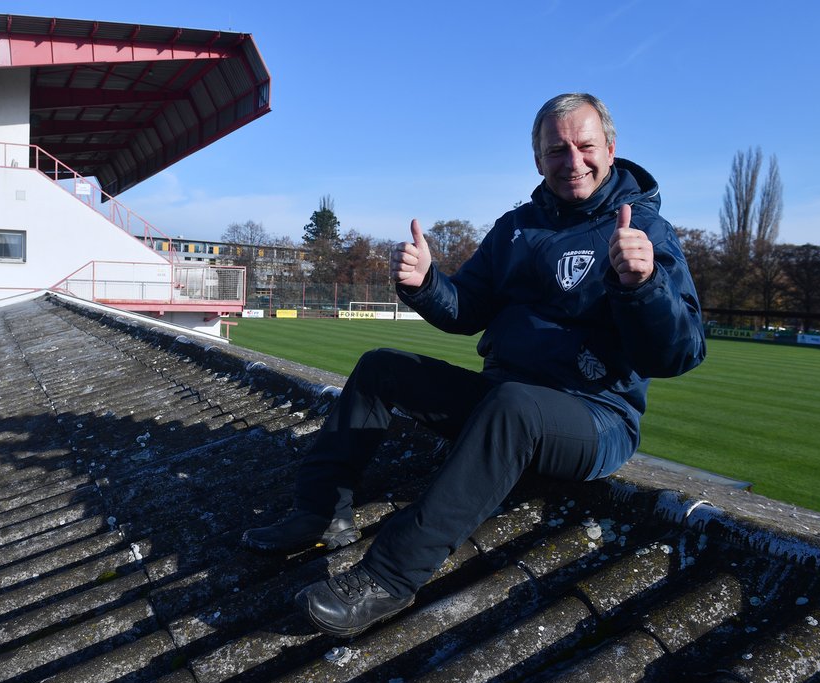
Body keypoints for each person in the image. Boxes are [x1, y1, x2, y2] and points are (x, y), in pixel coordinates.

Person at [242, 93, 706, 638]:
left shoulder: (644, 231)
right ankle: (321, 513)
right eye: (557, 150)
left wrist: (643, 286)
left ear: (610, 148)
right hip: (504, 403)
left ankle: (389, 577)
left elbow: (679, 353)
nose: (573, 161)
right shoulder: (516, 227)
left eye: (584, 146)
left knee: (514, 406)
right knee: (380, 367)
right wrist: (425, 283)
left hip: (594, 418)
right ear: (538, 159)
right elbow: (467, 308)